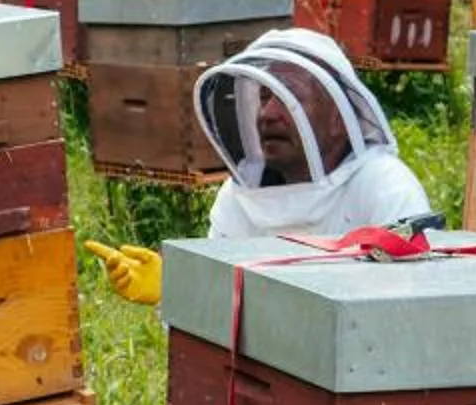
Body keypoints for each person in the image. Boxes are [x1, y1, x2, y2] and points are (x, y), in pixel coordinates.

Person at [86, 27, 434, 302]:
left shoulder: (384, 188)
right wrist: (177, 288)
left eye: (290, 97)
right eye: (266, 96)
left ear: (338, 118)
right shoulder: (242, 195)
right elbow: (218, 304)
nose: (268, 114)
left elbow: (414, 309)